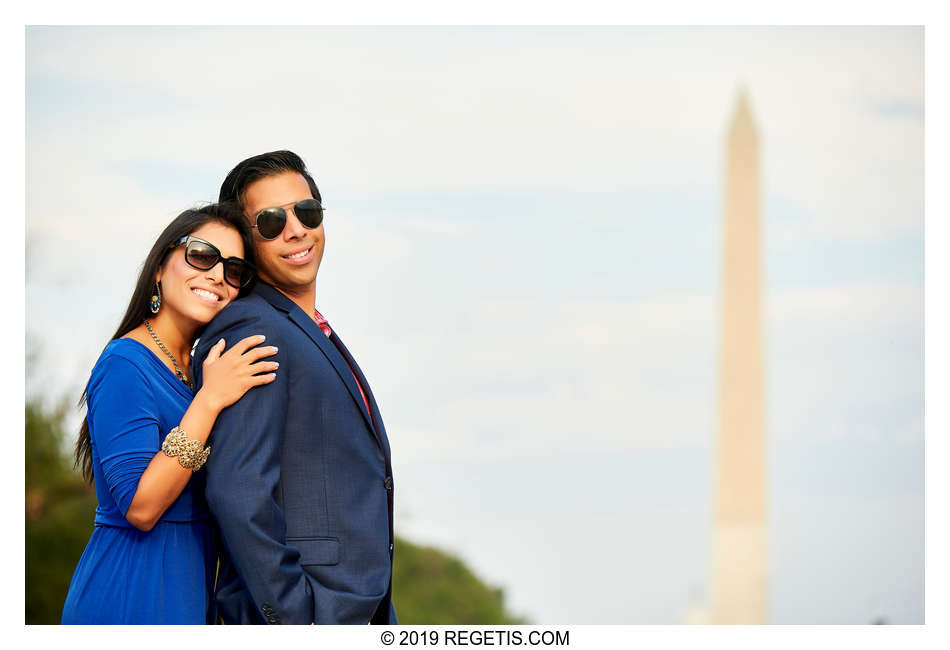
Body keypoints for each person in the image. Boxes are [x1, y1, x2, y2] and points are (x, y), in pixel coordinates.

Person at [192, 151, 396, 625]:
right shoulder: (252, 329)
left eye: (306, 212)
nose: (296, 230)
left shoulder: (306, 327)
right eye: (269, 221)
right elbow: (238, 491)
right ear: (247, 240)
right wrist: (294, 615)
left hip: (357, 608)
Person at [61, 203, 279, 624]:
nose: (217, 275)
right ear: (161, 266)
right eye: (201, 255)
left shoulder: (200, 371)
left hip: (191, 594)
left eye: (234, 270)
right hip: (130, 594)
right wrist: (209, 402)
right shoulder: (125, 362)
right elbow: (141, 507)